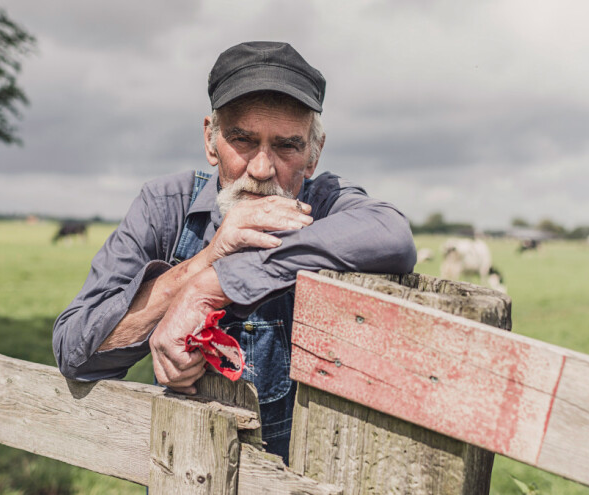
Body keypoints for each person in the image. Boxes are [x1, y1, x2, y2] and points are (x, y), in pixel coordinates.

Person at [53, 41, 417, 462]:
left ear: (314, 154)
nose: (261, 170)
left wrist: (214, 285)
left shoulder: (327, 204)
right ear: (210, 141)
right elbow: (74, 352)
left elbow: (392, 234)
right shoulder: (165, 206)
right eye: (242, 140)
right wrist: (205, 261)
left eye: (286, 146)